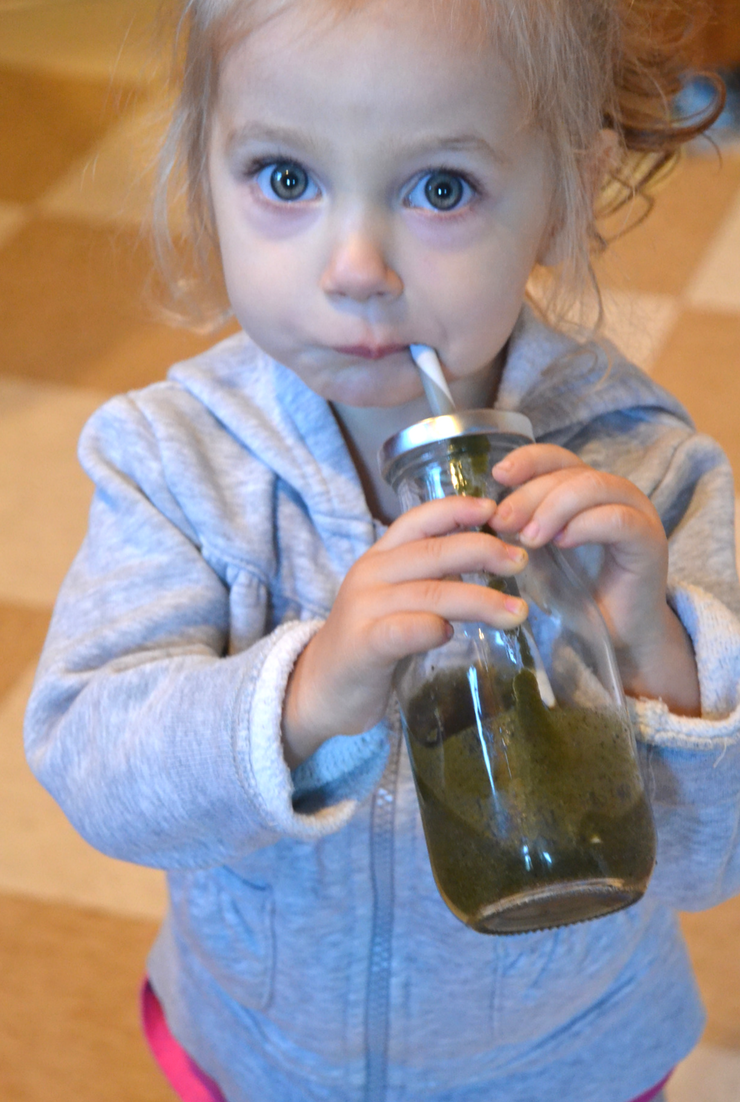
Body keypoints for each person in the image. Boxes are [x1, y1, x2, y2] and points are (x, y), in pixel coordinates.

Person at [23, 0, 739, 1099]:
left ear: (568, 187)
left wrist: (657, 655)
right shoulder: (173, 460)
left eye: (439, 189)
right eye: (284, 176)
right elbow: (95, 769)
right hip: (266, 1051)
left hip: (563, 1061)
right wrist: (309, 690)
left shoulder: (642, 474)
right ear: (202, 164)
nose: (354, 265)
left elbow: (707, 864)